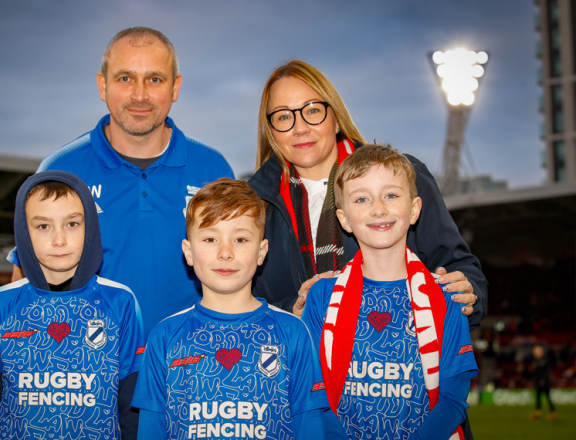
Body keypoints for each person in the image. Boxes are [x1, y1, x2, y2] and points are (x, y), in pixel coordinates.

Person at [8, 27, 234, 336]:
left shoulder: (212, 170)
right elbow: (24, 281)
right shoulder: (60, 169)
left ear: (175, 87)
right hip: (92, 371)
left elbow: (239, 275)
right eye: (125, 78)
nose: (139, 95)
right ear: (102, 85)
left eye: (154, 79)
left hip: (190, 369)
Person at [247, 60, 487, 330]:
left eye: (313, 110)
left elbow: (460, 269)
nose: (300, 127)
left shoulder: (403, 175)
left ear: (336, 118)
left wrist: (468, 294)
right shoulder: (253, 204)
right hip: (301, 367)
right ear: (271, 132)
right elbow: (243, 303)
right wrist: (294, 311)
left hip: (397, 359)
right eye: (283, 116)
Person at [302, 144, 478, 440]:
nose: (378, 208)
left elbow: (453, 400)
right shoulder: (322, 297)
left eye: (391, 195)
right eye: (362, 199)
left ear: (414, 209)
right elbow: (311, 394)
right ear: (344, 220)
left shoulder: (446, 295)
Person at [132, 178, 330, 440]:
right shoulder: (164, 337)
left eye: (240, 239)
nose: (225, 252)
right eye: (211, 238)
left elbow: (310, 427)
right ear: (188, 252)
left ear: (261, 252)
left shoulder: (293, 332)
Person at [0, 171, 145, 440]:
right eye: (43, 226)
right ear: (24, 232)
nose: (59, 240)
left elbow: (132, 406)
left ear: (91, 227)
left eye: (72, 224)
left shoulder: (121, 302)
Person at [530, 345, 557, 420]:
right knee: (538, 398)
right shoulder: (535, 361)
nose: (536, 353)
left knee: (548, 398)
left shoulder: (545, 360)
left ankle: (553, 413)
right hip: (538, 383)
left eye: (537, 352)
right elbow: (535, 373)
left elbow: (547, 372)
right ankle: (537, 413)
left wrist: (544, 380)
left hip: (545, 383)